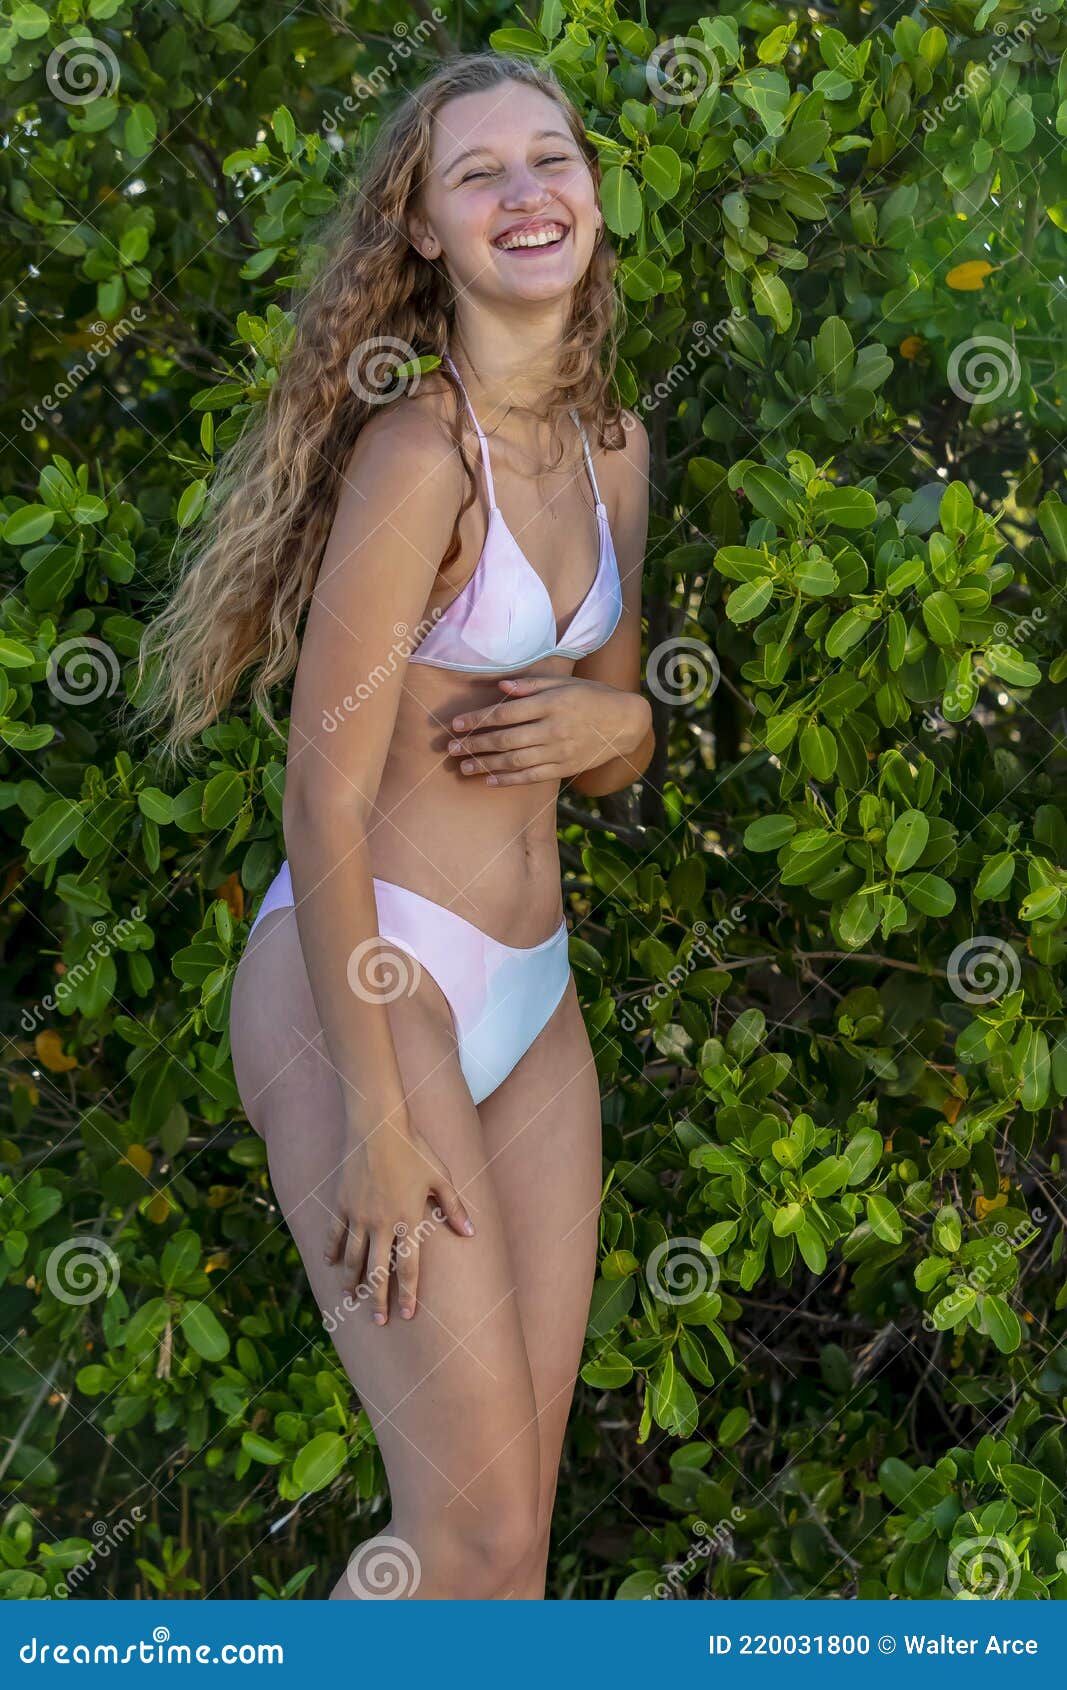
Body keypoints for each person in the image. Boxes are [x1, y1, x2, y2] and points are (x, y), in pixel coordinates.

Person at [136, 50, 652, 1600]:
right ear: (421, 229)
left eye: (546, 159)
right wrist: (370, 1109)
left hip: (533, 1000)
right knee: (471, 1526)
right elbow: (323, 787)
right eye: (476, 173)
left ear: (594, 194)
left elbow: (612, 735)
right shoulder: (419, 453)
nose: (523, 193)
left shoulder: (619, 449)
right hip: (373, 984)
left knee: (517, 1532)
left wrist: (625, 724)